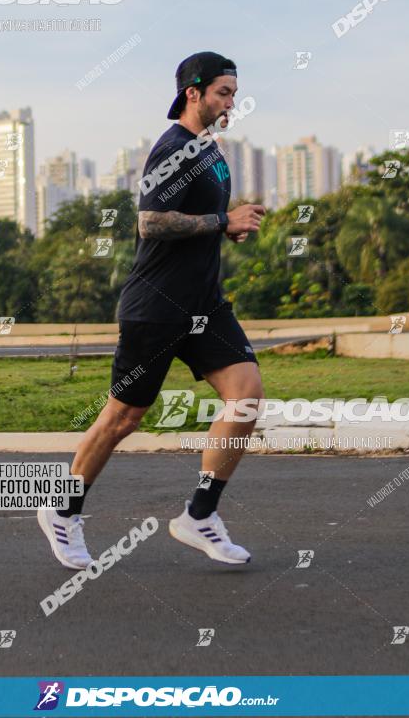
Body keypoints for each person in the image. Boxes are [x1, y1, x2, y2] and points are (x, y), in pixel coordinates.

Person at [37, 51, 266, 568]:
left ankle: (199, 516)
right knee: (123, 418)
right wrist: (219, 224)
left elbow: (204, 222)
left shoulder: (209, 148)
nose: (232, 101)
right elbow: (151, 223)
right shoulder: (174, 148)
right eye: (223, 93)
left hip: (204, 306)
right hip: (156, 308)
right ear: (194, 93)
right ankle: (63, 512)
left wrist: (232, 226)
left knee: (247, 398)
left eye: (234, 92)